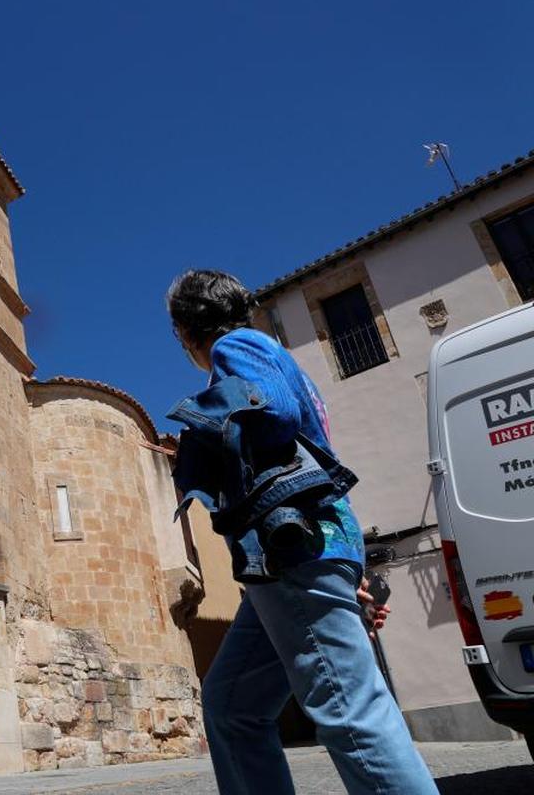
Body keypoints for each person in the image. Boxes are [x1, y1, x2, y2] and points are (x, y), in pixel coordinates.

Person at [167, 270, 437, 795]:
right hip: (293, 556)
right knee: (232, 706)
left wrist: (204, 426)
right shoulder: (277, 356)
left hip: (291, 552)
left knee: (349, 711)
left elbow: (273, 413)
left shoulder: (237, 347)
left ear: (185, 331)